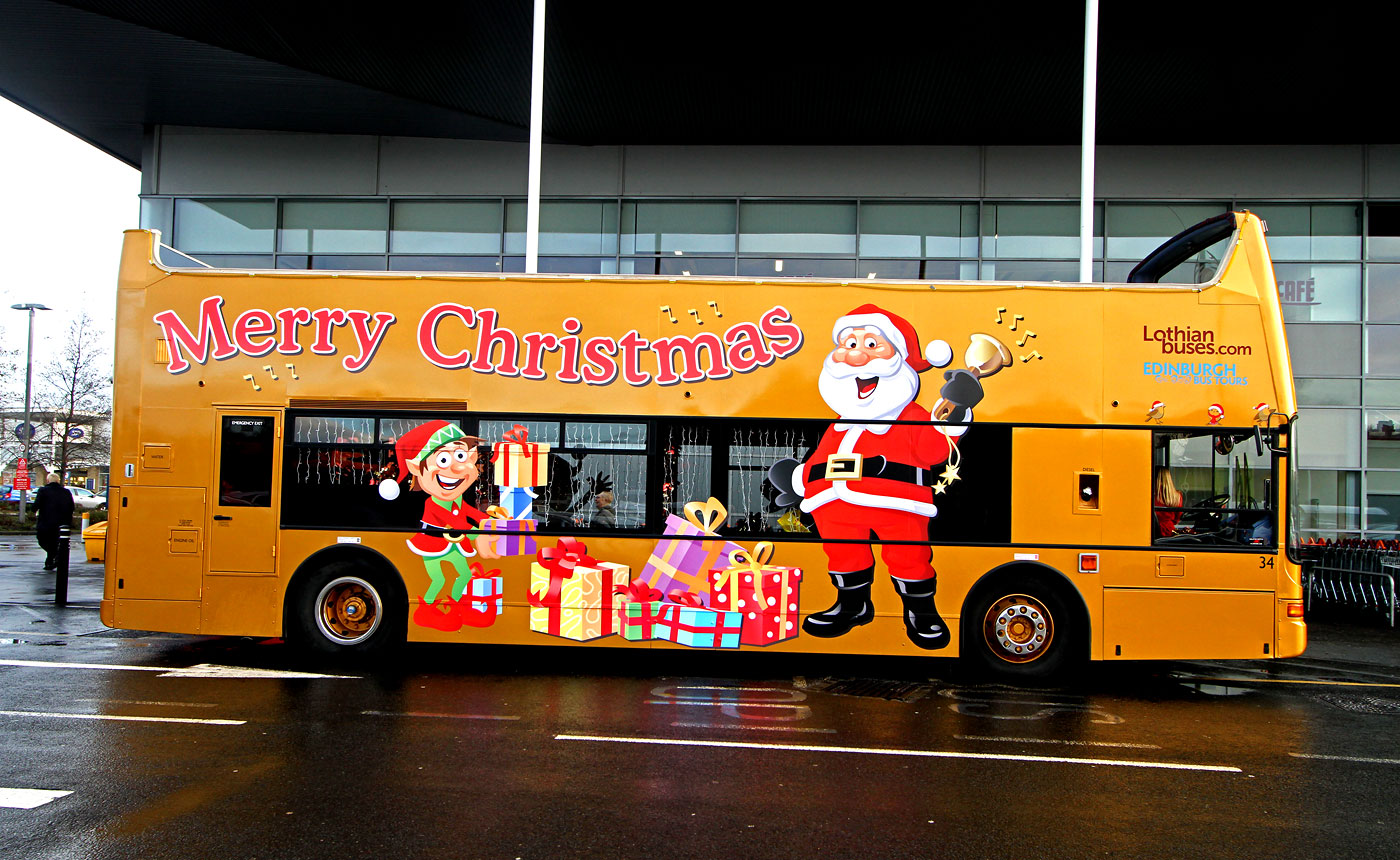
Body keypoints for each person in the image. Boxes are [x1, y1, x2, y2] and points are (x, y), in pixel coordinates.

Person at [767, 304, 984, 650]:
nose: (857, 357)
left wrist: (956, 410)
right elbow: (822, 458)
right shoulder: (839, 423)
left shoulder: (911, 415)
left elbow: (933, 450)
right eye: (850, 345)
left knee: (907, 554)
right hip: (834, 503)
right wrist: (800, 481)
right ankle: (853, 605)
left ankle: (921, 612)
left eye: (872, 345)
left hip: (895, 499)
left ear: (899, 359)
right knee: (841, 551)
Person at [34, 473, 74, 570]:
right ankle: (51, 560)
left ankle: (53, 557)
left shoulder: (43, 491)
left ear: (48, 481)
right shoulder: (66, 492)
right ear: (58, 481)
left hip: (46, 522)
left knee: (42, 540)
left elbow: (35, 506)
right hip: (62, 523)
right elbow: (71, 507)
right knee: (55, 542)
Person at [1153, 466, 1184, 538]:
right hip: (1169, 531)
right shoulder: (1176, 496)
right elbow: (1177, 519)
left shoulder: (1149, 495)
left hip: (1152, 530)